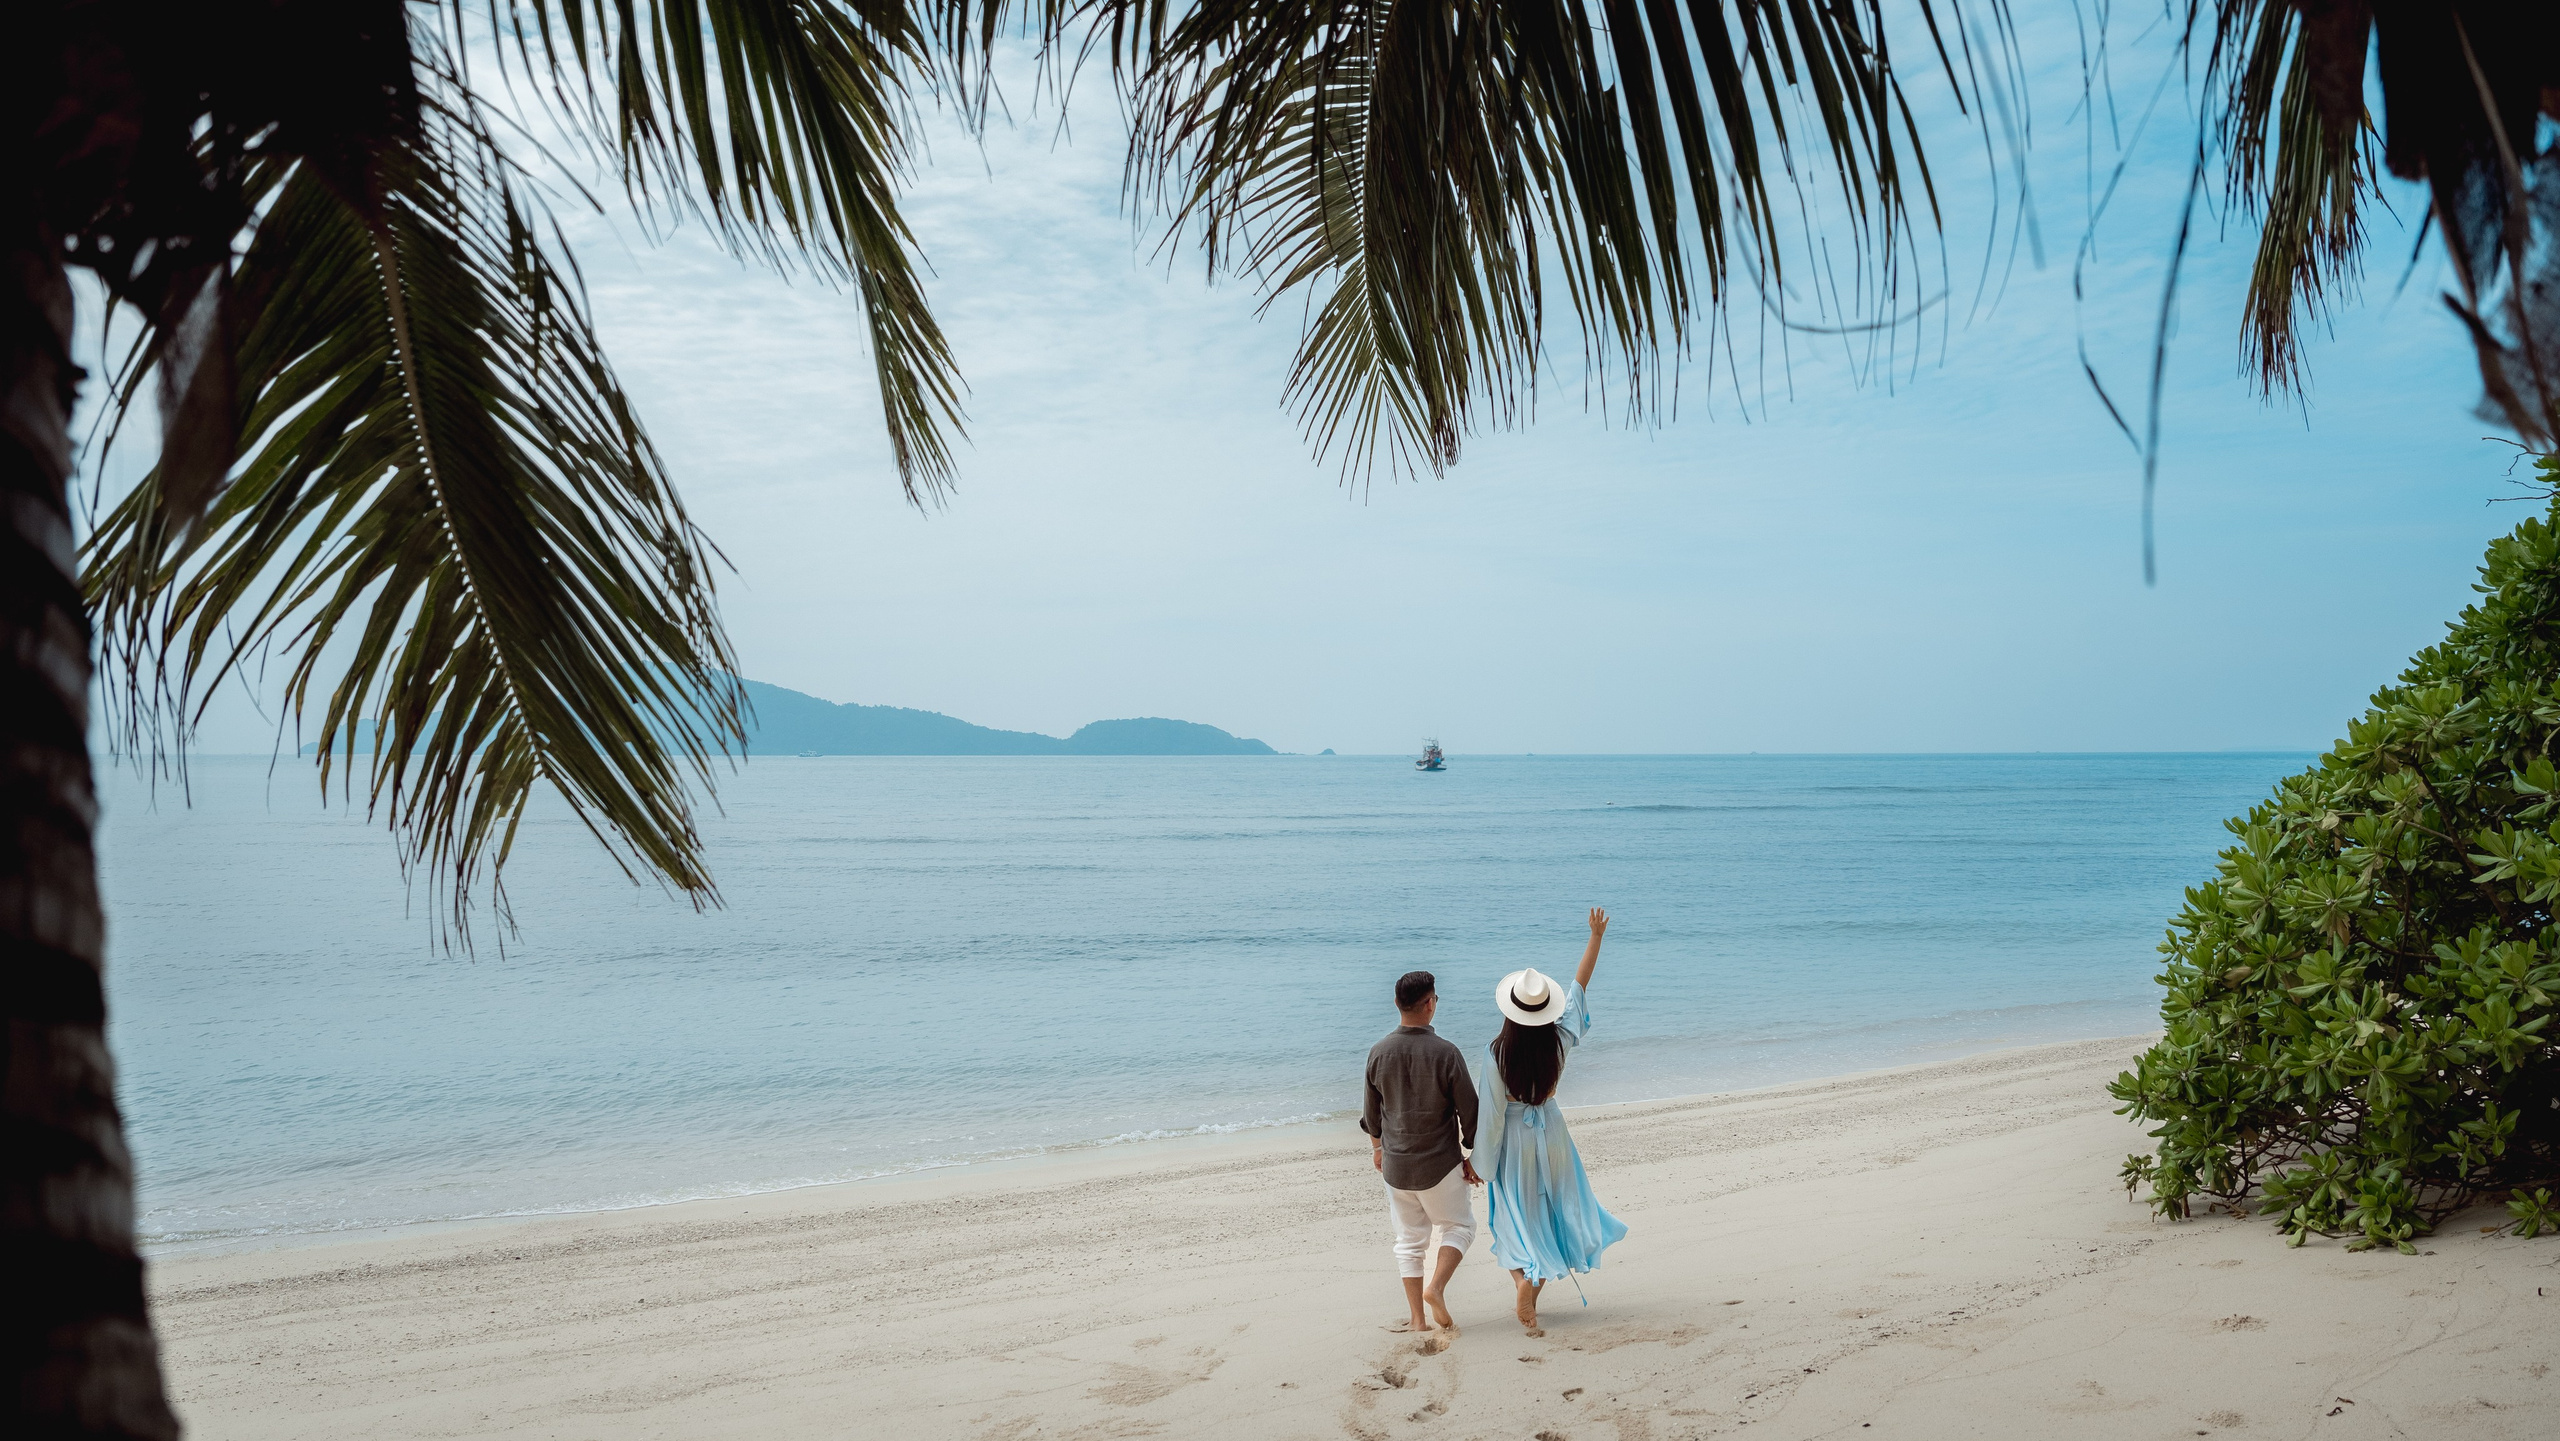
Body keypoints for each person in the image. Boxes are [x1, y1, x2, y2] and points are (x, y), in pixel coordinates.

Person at [1474, 907, 1628, 1336]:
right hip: (1554, 1134)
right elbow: (1580, 986)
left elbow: (1492, 1115)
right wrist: (1595, 937)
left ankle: (1527, 1279)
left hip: (1517, 1142)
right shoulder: (1560, 1039)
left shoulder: (1496, 1053)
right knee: (1555, 1211)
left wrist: (1479, 1163)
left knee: (1511, 1218)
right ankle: (1535, 1279)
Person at [1361, 969, 1482, 1335]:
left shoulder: (1378, 1051)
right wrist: (1473, 1155)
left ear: (1398, 1005)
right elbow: (1470, 1112)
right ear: (1429, 1005)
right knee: (1459, 1226)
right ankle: (1436, 1288)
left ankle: (1417, 1320)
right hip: (1439, 1165)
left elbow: (1371, 1115)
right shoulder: (1446, 1053)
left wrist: (1378, 1149)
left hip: (1396, 1167)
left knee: (1409, 1242)